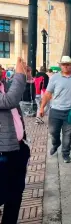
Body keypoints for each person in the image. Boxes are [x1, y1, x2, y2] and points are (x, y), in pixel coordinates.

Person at [0, 58, 31, 224]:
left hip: (17, 149)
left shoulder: (3, 85)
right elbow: (9, 101)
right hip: (2, 153)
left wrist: (23, 76)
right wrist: (19, 75)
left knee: (15, 194)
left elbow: (14, 94)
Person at [39, 56, 71, 163]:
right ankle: (56, 144)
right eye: (63, 64)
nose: (66, 66)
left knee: (68, 135)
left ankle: (65, 153)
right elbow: (48, 93)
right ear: (60, 66)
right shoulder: (54, 78)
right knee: (53, 132)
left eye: (68, 64)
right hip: (56, 110)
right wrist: (42, 108)